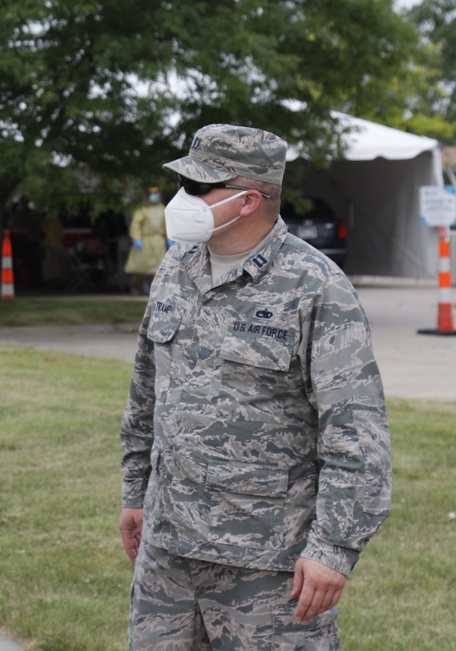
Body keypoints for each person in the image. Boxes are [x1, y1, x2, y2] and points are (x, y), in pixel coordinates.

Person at [118, 124, 391, 649]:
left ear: (248, 201)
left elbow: (357, 435)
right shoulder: (177, 266)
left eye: (199, 188)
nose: (184, 199)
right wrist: (135, 492)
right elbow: (146, 390)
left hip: (267, 565)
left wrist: (333, 549)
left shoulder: (316, 286)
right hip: (168, 551)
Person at [123, 188, 168, 295]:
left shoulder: (162, 208)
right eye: (152, 194)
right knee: (140, 267)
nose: (155, 196)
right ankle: (136, 289)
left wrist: (169, 239)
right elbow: (136, 225)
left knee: (158, 268)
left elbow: (167, 225)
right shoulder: (142, 208)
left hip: (159, 241)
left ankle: (155, 291)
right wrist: (137, 239)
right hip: (145, 241)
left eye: (156, 194)